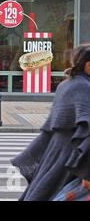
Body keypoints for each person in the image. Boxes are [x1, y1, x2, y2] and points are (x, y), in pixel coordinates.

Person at [11, 43, 90, 201]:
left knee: (47, 192)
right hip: (74, 160)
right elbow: (87, 132)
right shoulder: (84, 87)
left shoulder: (66, 85)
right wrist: (87, 174)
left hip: (58, 154)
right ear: (88, 65)